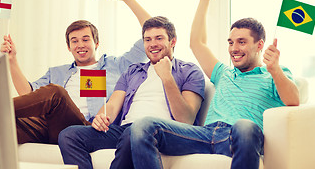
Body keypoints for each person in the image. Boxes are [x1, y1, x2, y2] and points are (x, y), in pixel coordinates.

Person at [116, 0, 300, 169]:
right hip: (205, 134)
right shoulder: (223, 72)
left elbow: (293, 99)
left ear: (259, 45)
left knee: (245, 126)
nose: (234, 48)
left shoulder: (275, 74)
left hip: (239, 136)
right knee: (142, 126)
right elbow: (197, 43)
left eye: (241, 42)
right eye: (230, 42)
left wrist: (274, 69)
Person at [0, 0, 152, 144]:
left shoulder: (117, 65)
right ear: (68, 47)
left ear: (97, 43)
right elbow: (28, 95)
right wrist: (12, 60)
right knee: (7, 123)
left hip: (89, 129)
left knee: (56, 92)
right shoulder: (57, 72)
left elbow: (149, 34)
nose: (80, 45)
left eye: (86, 39)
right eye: (74, 41)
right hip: (54, 127)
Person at [58, 16, 205, 169]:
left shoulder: (189, 71)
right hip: (126, 130)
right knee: (69, 135)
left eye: (159, 38)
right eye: (147, 40)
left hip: (163, 132)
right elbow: (113, 105)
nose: (152, 44)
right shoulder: (133, 71)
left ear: (172, 41)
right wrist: (101, 117)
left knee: (136, 129)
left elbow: (186, 119)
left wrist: (167, 78)